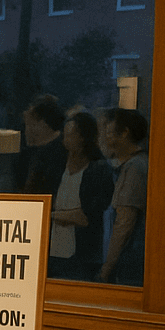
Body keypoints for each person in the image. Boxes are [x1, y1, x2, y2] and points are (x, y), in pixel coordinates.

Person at [47, 112, 114, 283]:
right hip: (53, 251)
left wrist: (49, 215)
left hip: (83, 256)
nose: (66, 139)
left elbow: (87, 217)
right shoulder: (58, 165)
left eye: (72, 134)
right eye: (65, 134)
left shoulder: (98, 169)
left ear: (84, 137)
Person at [100, 108, 148, 286]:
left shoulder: (134, 167)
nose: (105, 137)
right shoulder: (132, 164)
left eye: (109, 131)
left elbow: (125, 222)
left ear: (125, 133)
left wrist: (107, 268)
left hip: (130, 262)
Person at [18, 95, 67, 196]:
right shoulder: (28, 153)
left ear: (42, 123)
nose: (25, 131)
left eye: (28, 124)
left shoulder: (61, 153)